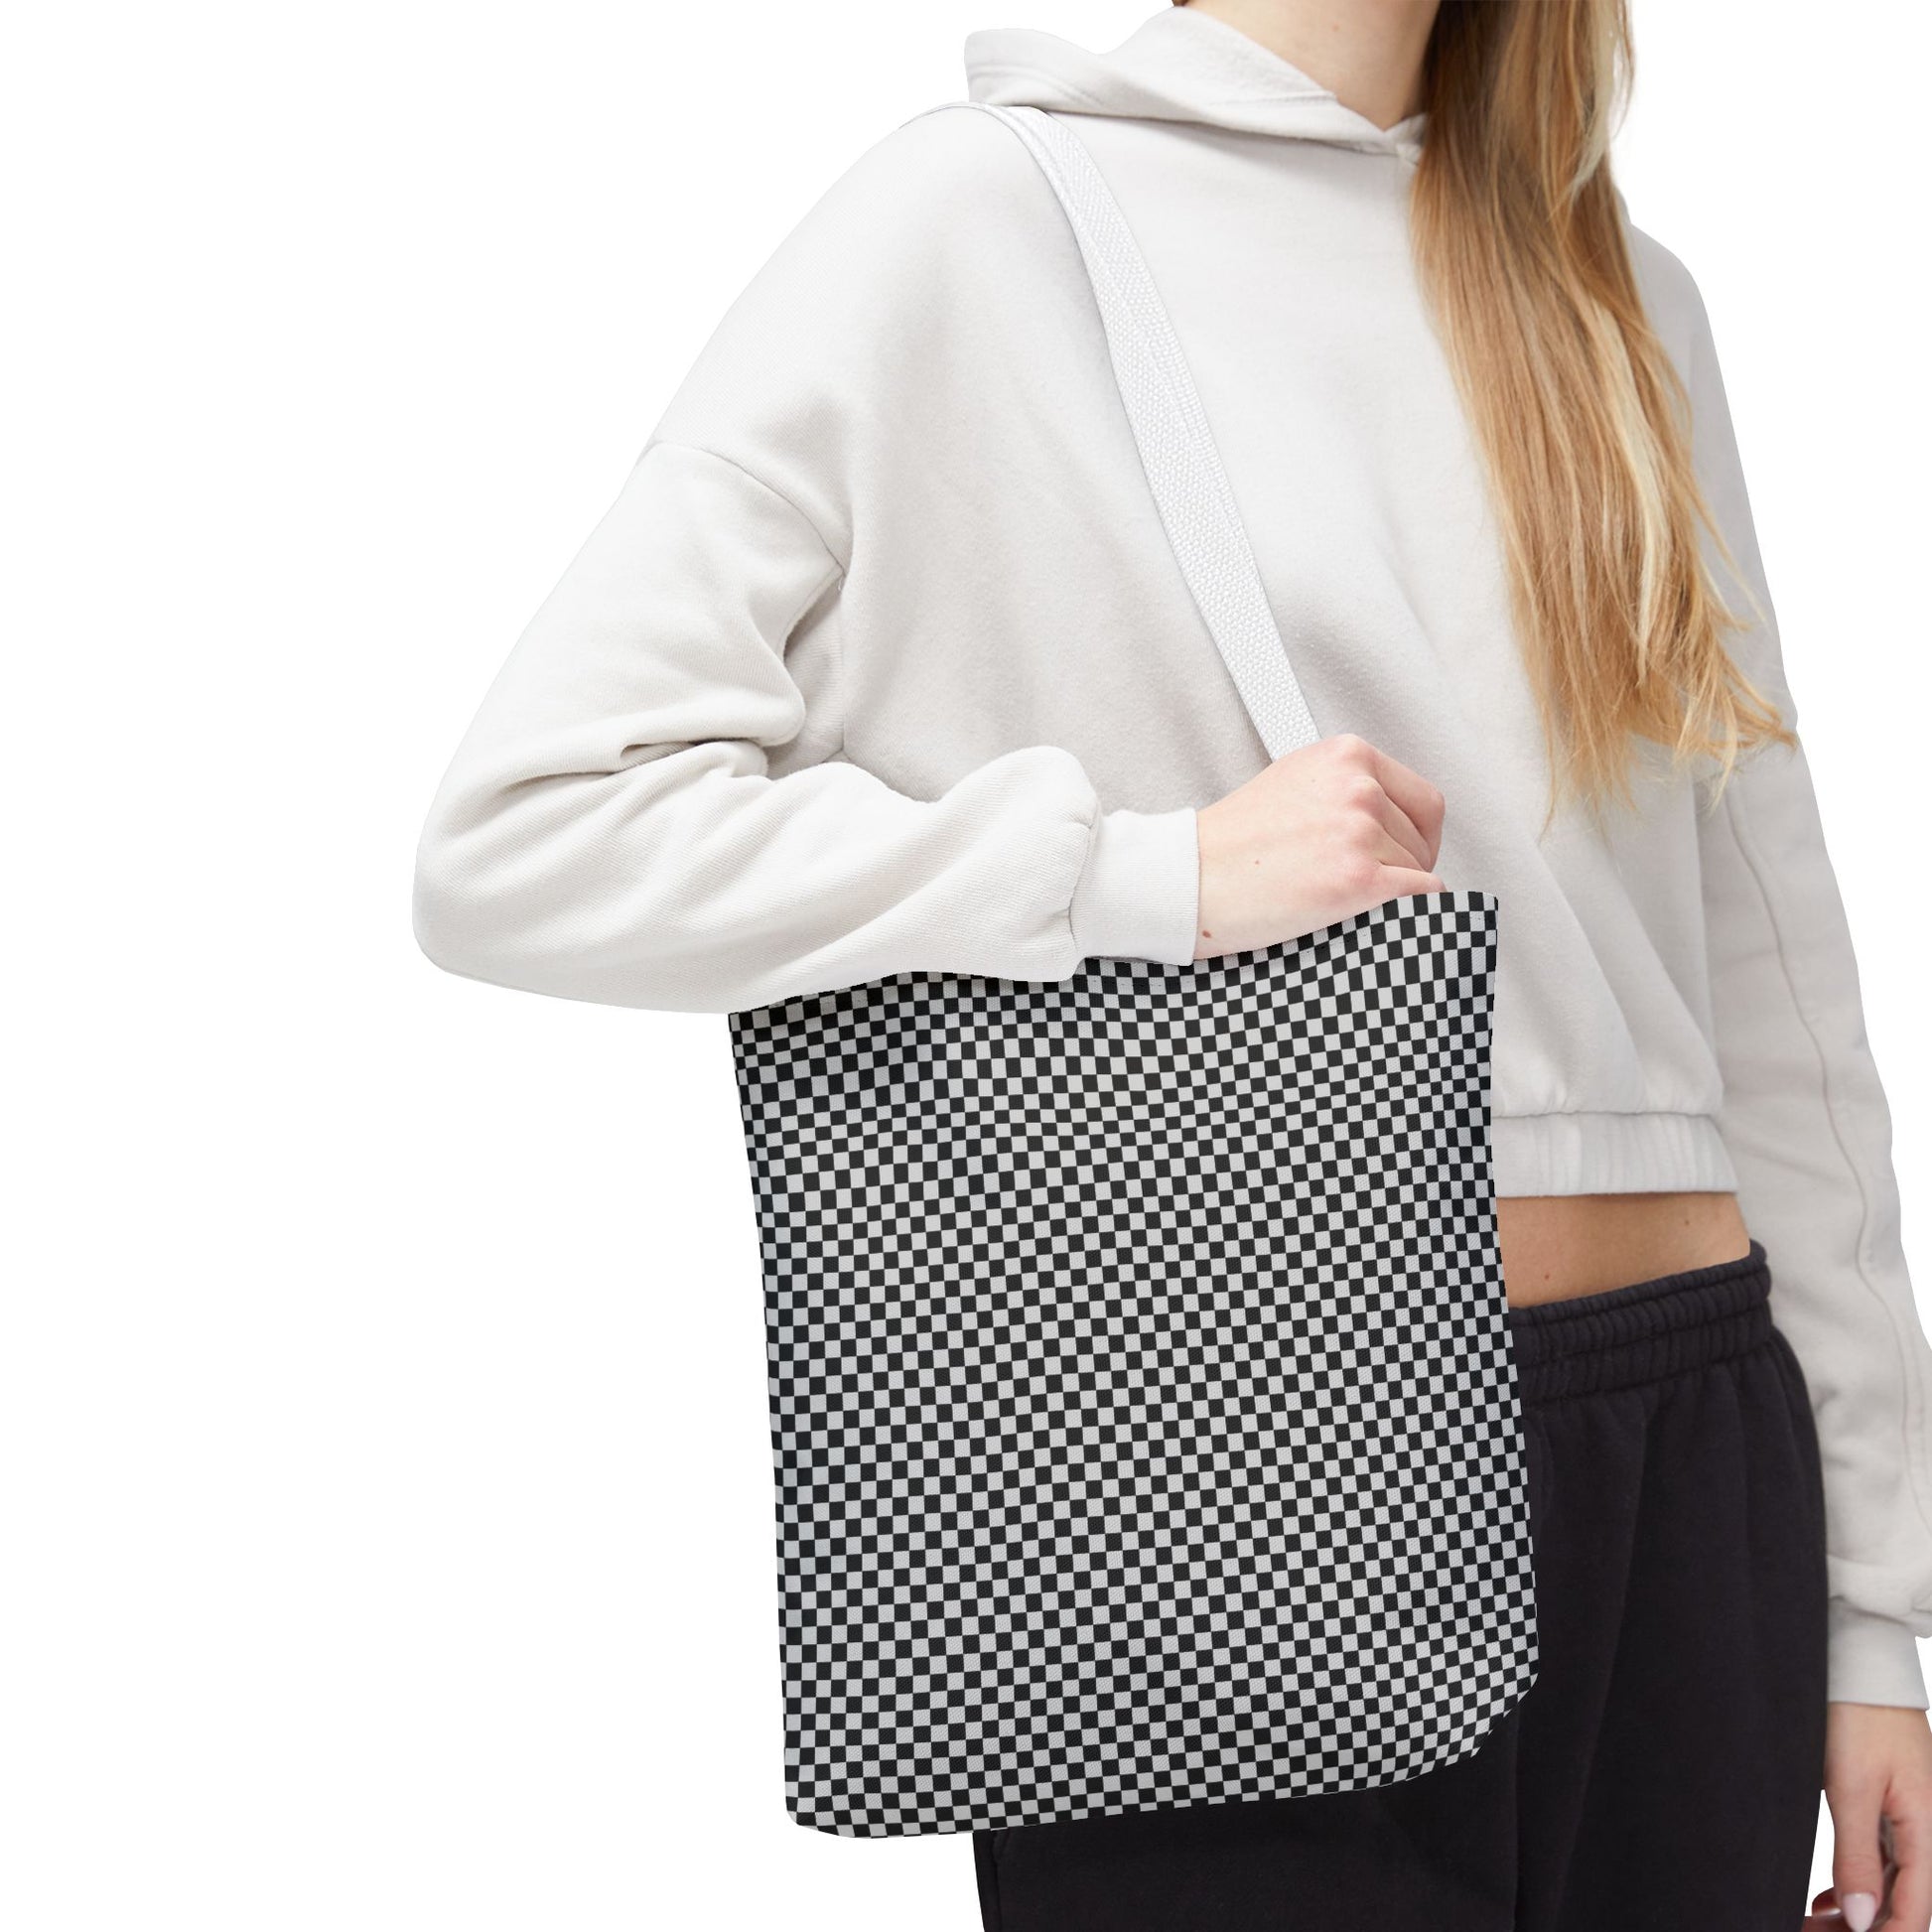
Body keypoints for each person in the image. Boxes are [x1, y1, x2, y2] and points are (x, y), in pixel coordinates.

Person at [411, 2, 1932, 1925]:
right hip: (1226, 1450)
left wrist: (1870, 1612)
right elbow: (525, 831)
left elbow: (1775, 972)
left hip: (1698, 1451)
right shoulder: (974, 225)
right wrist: (1142, 875)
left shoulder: (1616, 289)